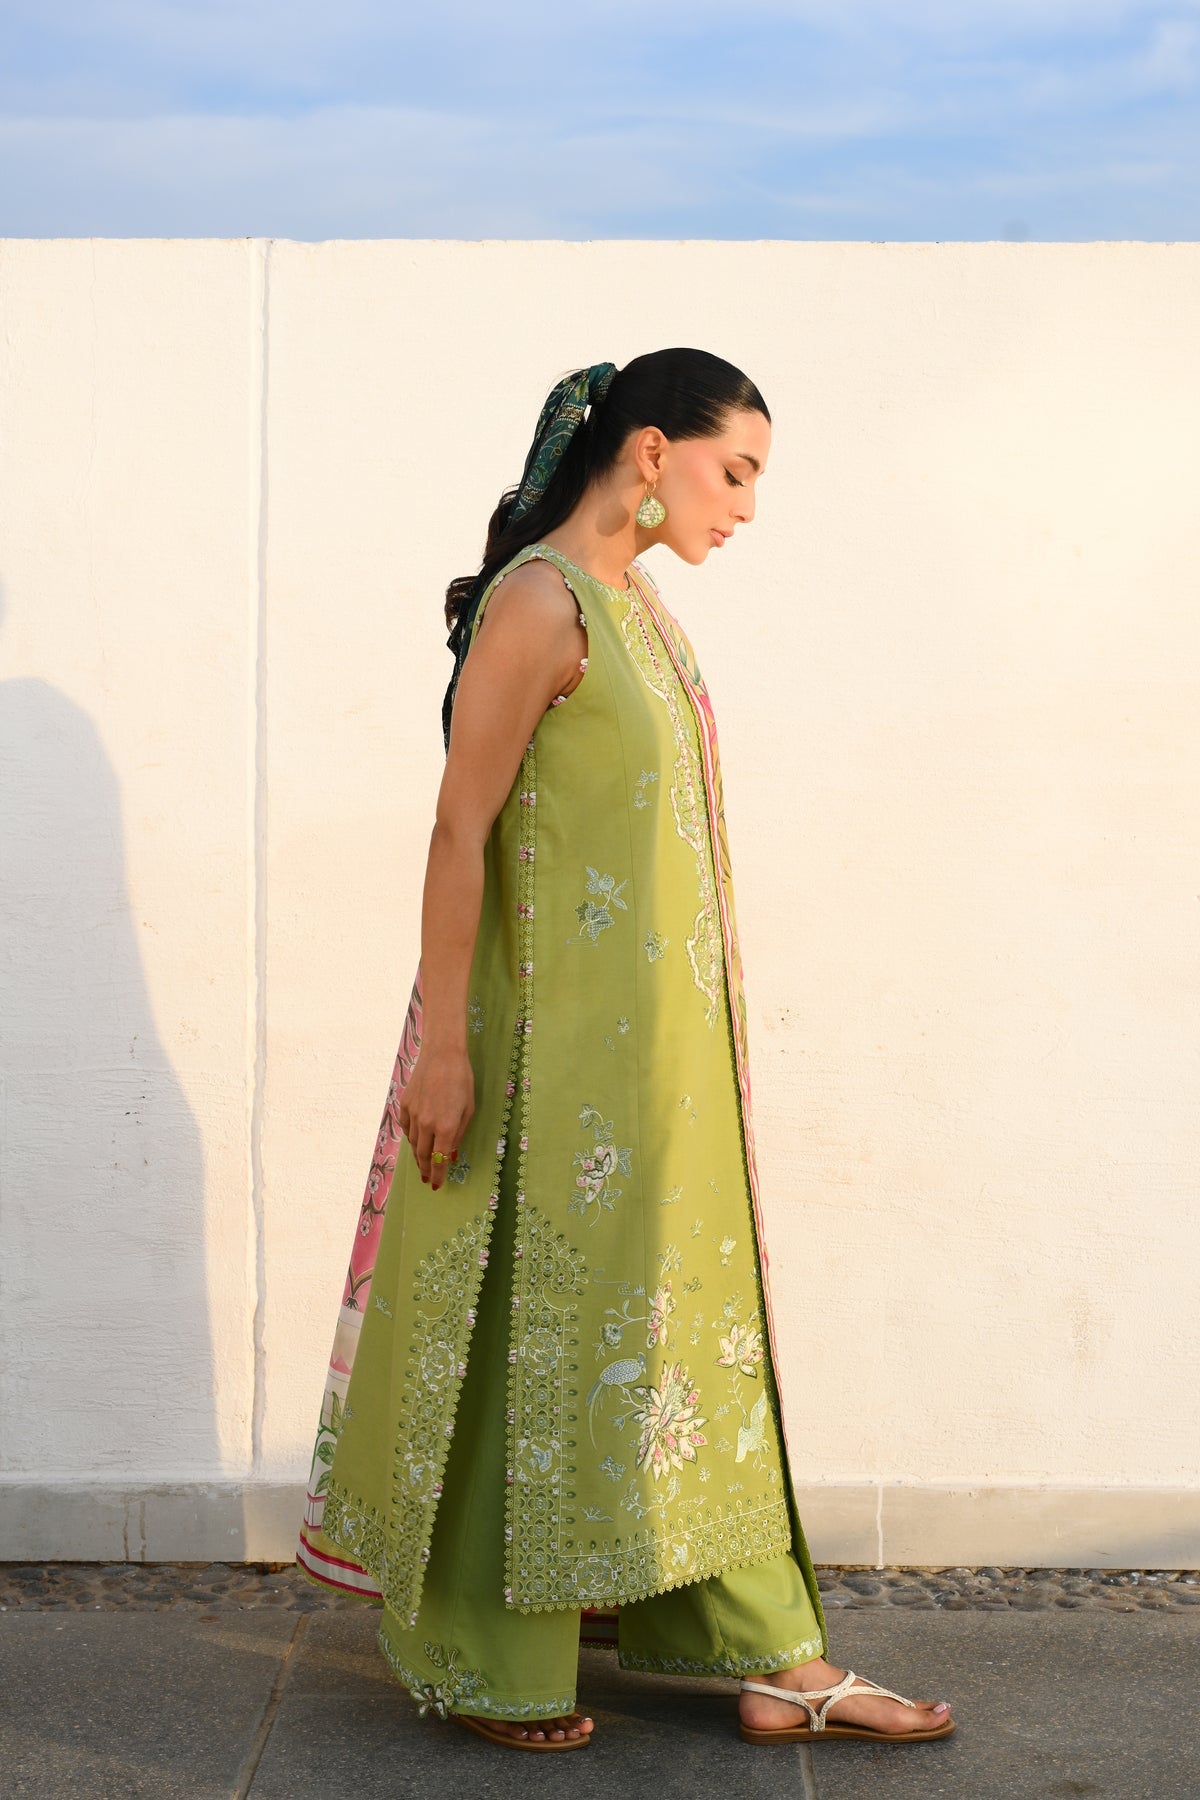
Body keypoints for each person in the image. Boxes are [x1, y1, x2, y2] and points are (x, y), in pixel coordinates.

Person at [296, 349, 955, 1752]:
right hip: (540, 1064)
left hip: (657, 1075)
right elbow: (459, 827)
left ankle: (773, 1656)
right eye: (737, 471)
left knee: (685, 1346)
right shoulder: (542, 603)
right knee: (521, 1331)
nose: (749, 507)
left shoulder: (641, 607)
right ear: (652, 453)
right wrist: (445, 1052)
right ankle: (492, 1657)